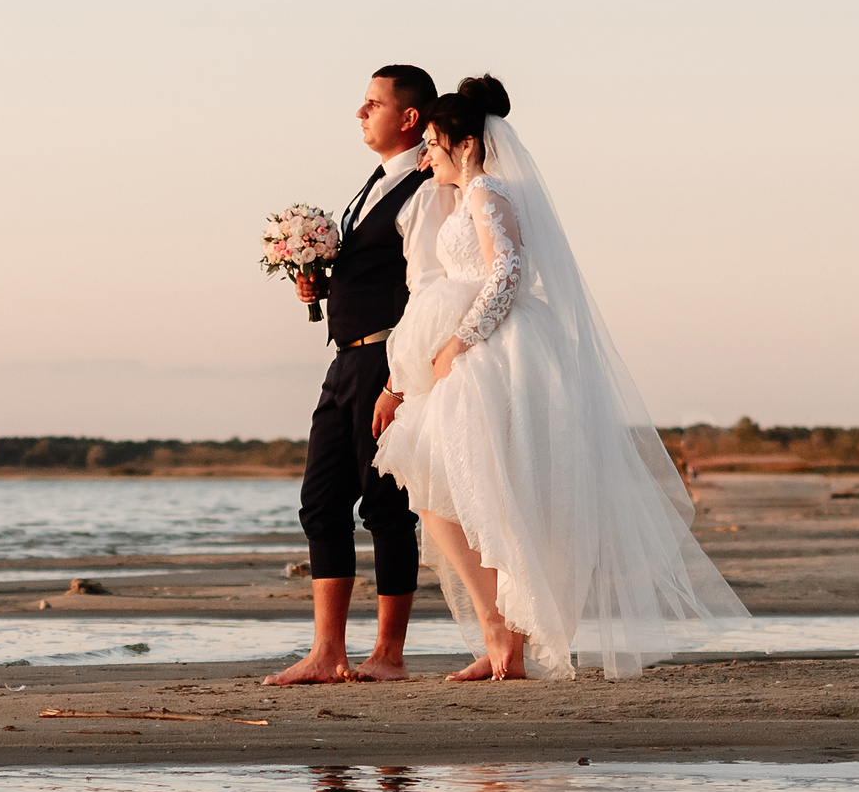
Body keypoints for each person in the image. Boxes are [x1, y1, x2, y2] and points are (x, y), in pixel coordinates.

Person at [372, 75, 750, 680]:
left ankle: (507, 637)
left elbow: (506, 277)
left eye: (437, 148)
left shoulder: (486, 194)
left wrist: (457, 343)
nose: (429, 159)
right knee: (450, 487)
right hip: (474, 351)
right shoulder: (469, 194)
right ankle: (501, 634)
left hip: (493, 352)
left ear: (465, 146)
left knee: (488, 493)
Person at [265, 65, 457, 686]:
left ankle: (388, 656)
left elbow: (427, 290)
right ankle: (328, 653)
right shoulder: (372, 185)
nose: (359, 112)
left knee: (385, 507)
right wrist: (320, 283)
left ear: (408, 118)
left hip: (387, 358)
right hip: (344, 357)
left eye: (372, 103)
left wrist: (399, 381)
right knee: (321, 501)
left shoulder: (427, 190)